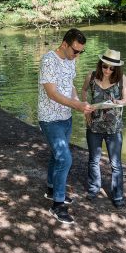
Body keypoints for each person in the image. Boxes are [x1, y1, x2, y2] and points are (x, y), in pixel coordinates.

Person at [38, 28, 93, 224]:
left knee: (56, 156)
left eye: (81, 52)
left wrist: (79, 102)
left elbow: (70, 86)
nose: (77, 55)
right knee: (64, 158)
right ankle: (57, 205)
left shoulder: (71, 61)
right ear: (64, 44)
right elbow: (52, 93)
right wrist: (77, 105)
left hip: (66, 117)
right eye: (75, 51)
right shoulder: (48, 61)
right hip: (50, 118)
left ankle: (52, 190)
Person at [81, 49, 126, 208]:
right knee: (93, 160)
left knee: (116, 164)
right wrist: (85, 108)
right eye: (105, 66)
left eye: (111, 68)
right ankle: (94, 189)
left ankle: (117, 196)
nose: (107, 70)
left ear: (117, 69)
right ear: (100, 64)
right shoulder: (92, 75)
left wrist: (119, 102)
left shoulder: (121, 78)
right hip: (93, 126)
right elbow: (83, 90)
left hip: (114, 128)